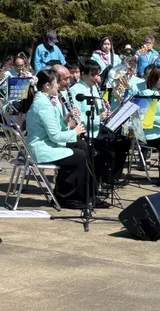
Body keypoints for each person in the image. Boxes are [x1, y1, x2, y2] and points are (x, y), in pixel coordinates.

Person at [23, 69, 87, 208]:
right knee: (80, 156)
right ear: (47, 86)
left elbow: (52, 129)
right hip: (41, 149)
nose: (58, 86)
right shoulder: (44, 105)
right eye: (56, 83)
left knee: (82, 146)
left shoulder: (43, 100)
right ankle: (66, 197)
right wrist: (74, 131)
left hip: (45, 144)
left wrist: (65, 121)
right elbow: (55, 136)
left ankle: (77, 193)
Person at [70, 60, 130, 186]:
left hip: (98, 127)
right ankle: (100, 179)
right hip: (87, 131)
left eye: (98, 74)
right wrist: (99, 117)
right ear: (84, 74)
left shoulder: (95, 88)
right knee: (104, 145)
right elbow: (77, 116)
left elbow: (98, 111)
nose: (97, 78)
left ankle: (113, 176)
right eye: (94, 75)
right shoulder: (76, 90)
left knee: (123, 142)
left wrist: (105, 110)